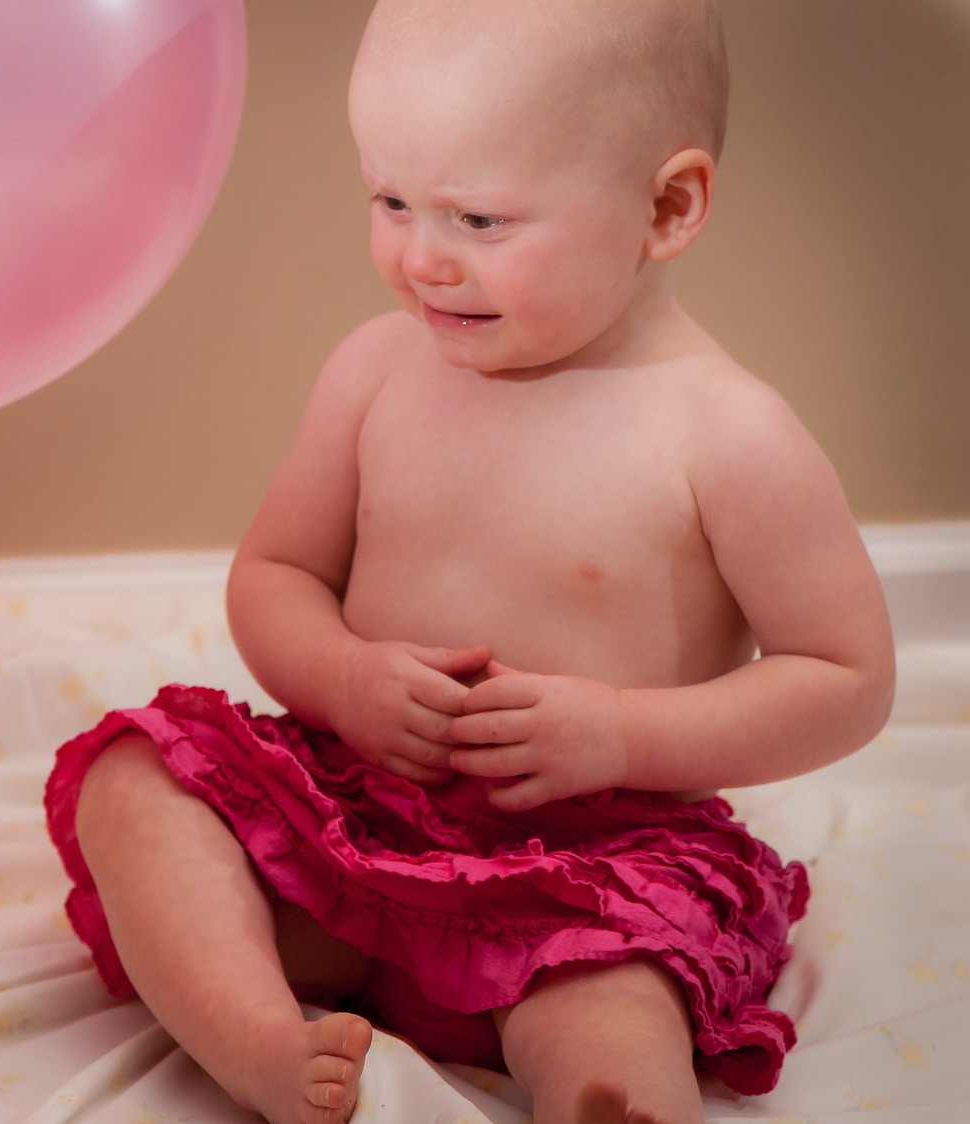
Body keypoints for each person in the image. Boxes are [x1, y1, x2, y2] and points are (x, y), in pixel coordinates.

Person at [44, 1, 896, 1121]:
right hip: (349, 822)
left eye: (480, 218)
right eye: (389, 199)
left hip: (586, 876)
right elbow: (275, 573)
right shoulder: (373, 372)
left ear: (666, 206)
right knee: (135, 782)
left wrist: (623, 733)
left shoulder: (728, 436)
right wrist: (341, 678)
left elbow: (847, 679)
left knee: (615, 1001)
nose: (419, 256)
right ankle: (254, 1033)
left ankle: (601, 1092)